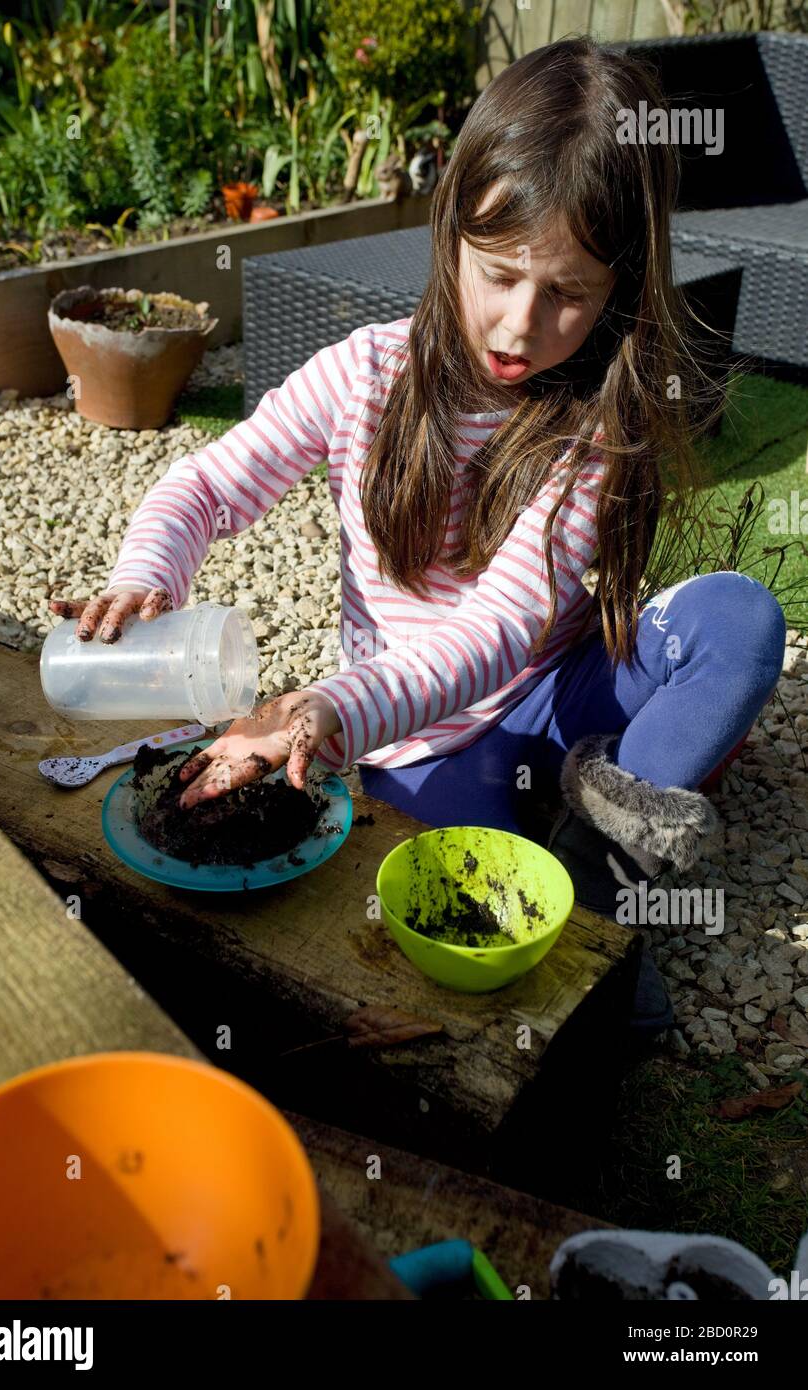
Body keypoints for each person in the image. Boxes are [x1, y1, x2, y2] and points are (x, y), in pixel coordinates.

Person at [50, 36, 786, 1033]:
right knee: (475, 923)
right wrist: (149, 574)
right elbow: (208, 483)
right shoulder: (360, 373)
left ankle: (603, 869)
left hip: (553, 686)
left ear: (621, 285)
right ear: (449, 233)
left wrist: (316, 707)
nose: (522, 325)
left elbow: (496, 633)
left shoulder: (595, 429)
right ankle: (567, 822)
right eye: (499, 274)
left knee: (736, 617)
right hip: (421, 735)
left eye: (567, 294)